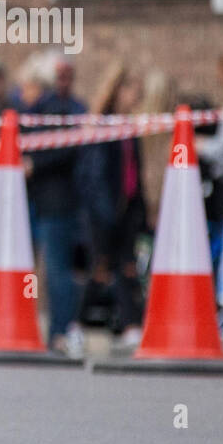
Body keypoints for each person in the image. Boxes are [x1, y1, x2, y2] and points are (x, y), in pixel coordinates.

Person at [77, 62, 147, 348]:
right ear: (118, 91)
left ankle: (130, 325)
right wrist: (104, 213)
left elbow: (134, 171)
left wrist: (138, 208)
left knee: (126, 268)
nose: (136, 97)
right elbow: (94, 175)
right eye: (132, 91)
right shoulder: (102, 125)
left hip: (126, 208)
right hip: (103, 212)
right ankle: (75, 323)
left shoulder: (129, 126)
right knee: (99, 269)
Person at [25, 52, 87, 356]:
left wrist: (34, 163)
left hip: (58, 202)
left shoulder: (65, 110)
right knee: (47, 270)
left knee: (58, 270)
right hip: (41, 201)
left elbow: (63, 150)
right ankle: (54, 331)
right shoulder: (41, 108)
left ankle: (60, 330)